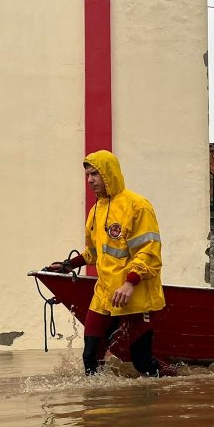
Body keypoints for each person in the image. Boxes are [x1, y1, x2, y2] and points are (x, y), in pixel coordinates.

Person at [47, 150, 169, 376]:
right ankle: (97, 398)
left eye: (95, 174)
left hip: (135, 292)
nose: (90, 180)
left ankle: (175, 385)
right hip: (105, 293)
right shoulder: (96, 211)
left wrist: (130, 282)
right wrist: (69, 265)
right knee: (90, 357)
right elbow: (94, 252)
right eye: (87, 175)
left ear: (109, 174)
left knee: (142, 364)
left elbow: (149, 252)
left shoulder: (138, 206)